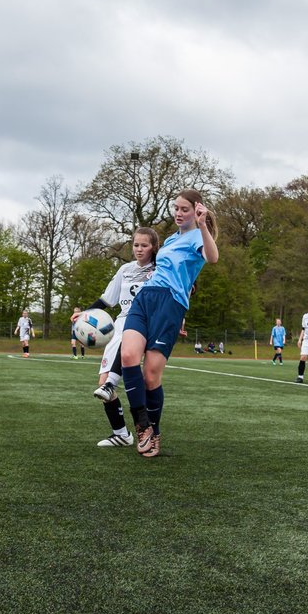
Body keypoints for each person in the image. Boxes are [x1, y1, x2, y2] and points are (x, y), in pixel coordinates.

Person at [119, 189, 219, 458]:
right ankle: (142, 426)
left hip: (170, 306)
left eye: (184, 209)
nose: (178, 212)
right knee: (128, 355)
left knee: (151, 375)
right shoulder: (172, 238)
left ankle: (156, 432)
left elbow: (212, 258)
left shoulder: (199, 237)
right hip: (146, 298)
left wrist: (202, 226)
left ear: (196, 210)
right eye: (176, 208)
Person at [75, 227, 159, 447]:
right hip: (119, 324)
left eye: (144, 245)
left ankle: (144, 424)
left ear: (154, 247)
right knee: (101, 384)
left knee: (123, 375)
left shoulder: (160, 270)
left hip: (143, 324)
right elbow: (106, 301)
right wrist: (84, 313)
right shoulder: (125, 269)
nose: (139, 249)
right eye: (136, 245)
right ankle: (122, 434)